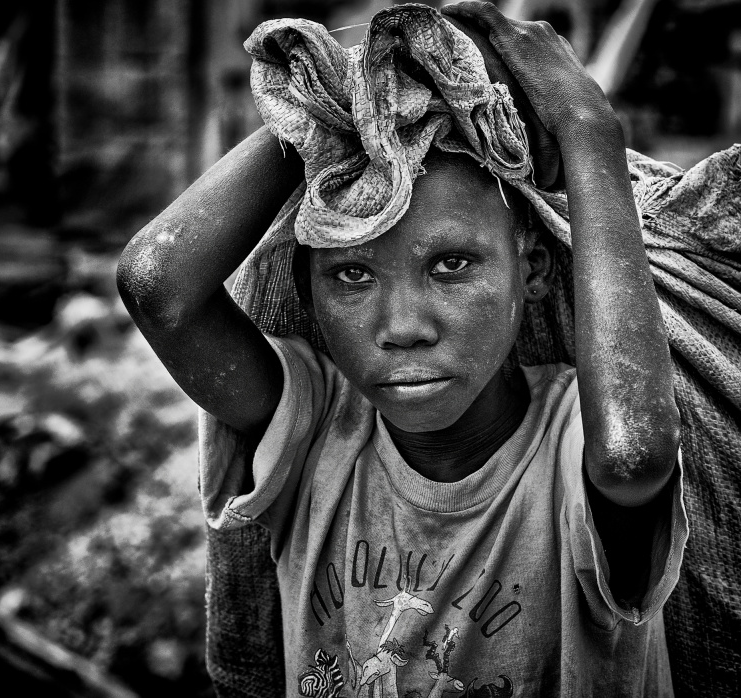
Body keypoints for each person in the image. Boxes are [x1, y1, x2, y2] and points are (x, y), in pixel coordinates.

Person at [117, 2, 687, 695]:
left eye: (451, 265)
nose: (404, 324)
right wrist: (339, 100)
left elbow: (634, 454)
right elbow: (158, 286)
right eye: (352, 274)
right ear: (309, 297)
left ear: (531, 270)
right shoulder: (318, 434)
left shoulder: (570, 447)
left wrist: (586, 126)